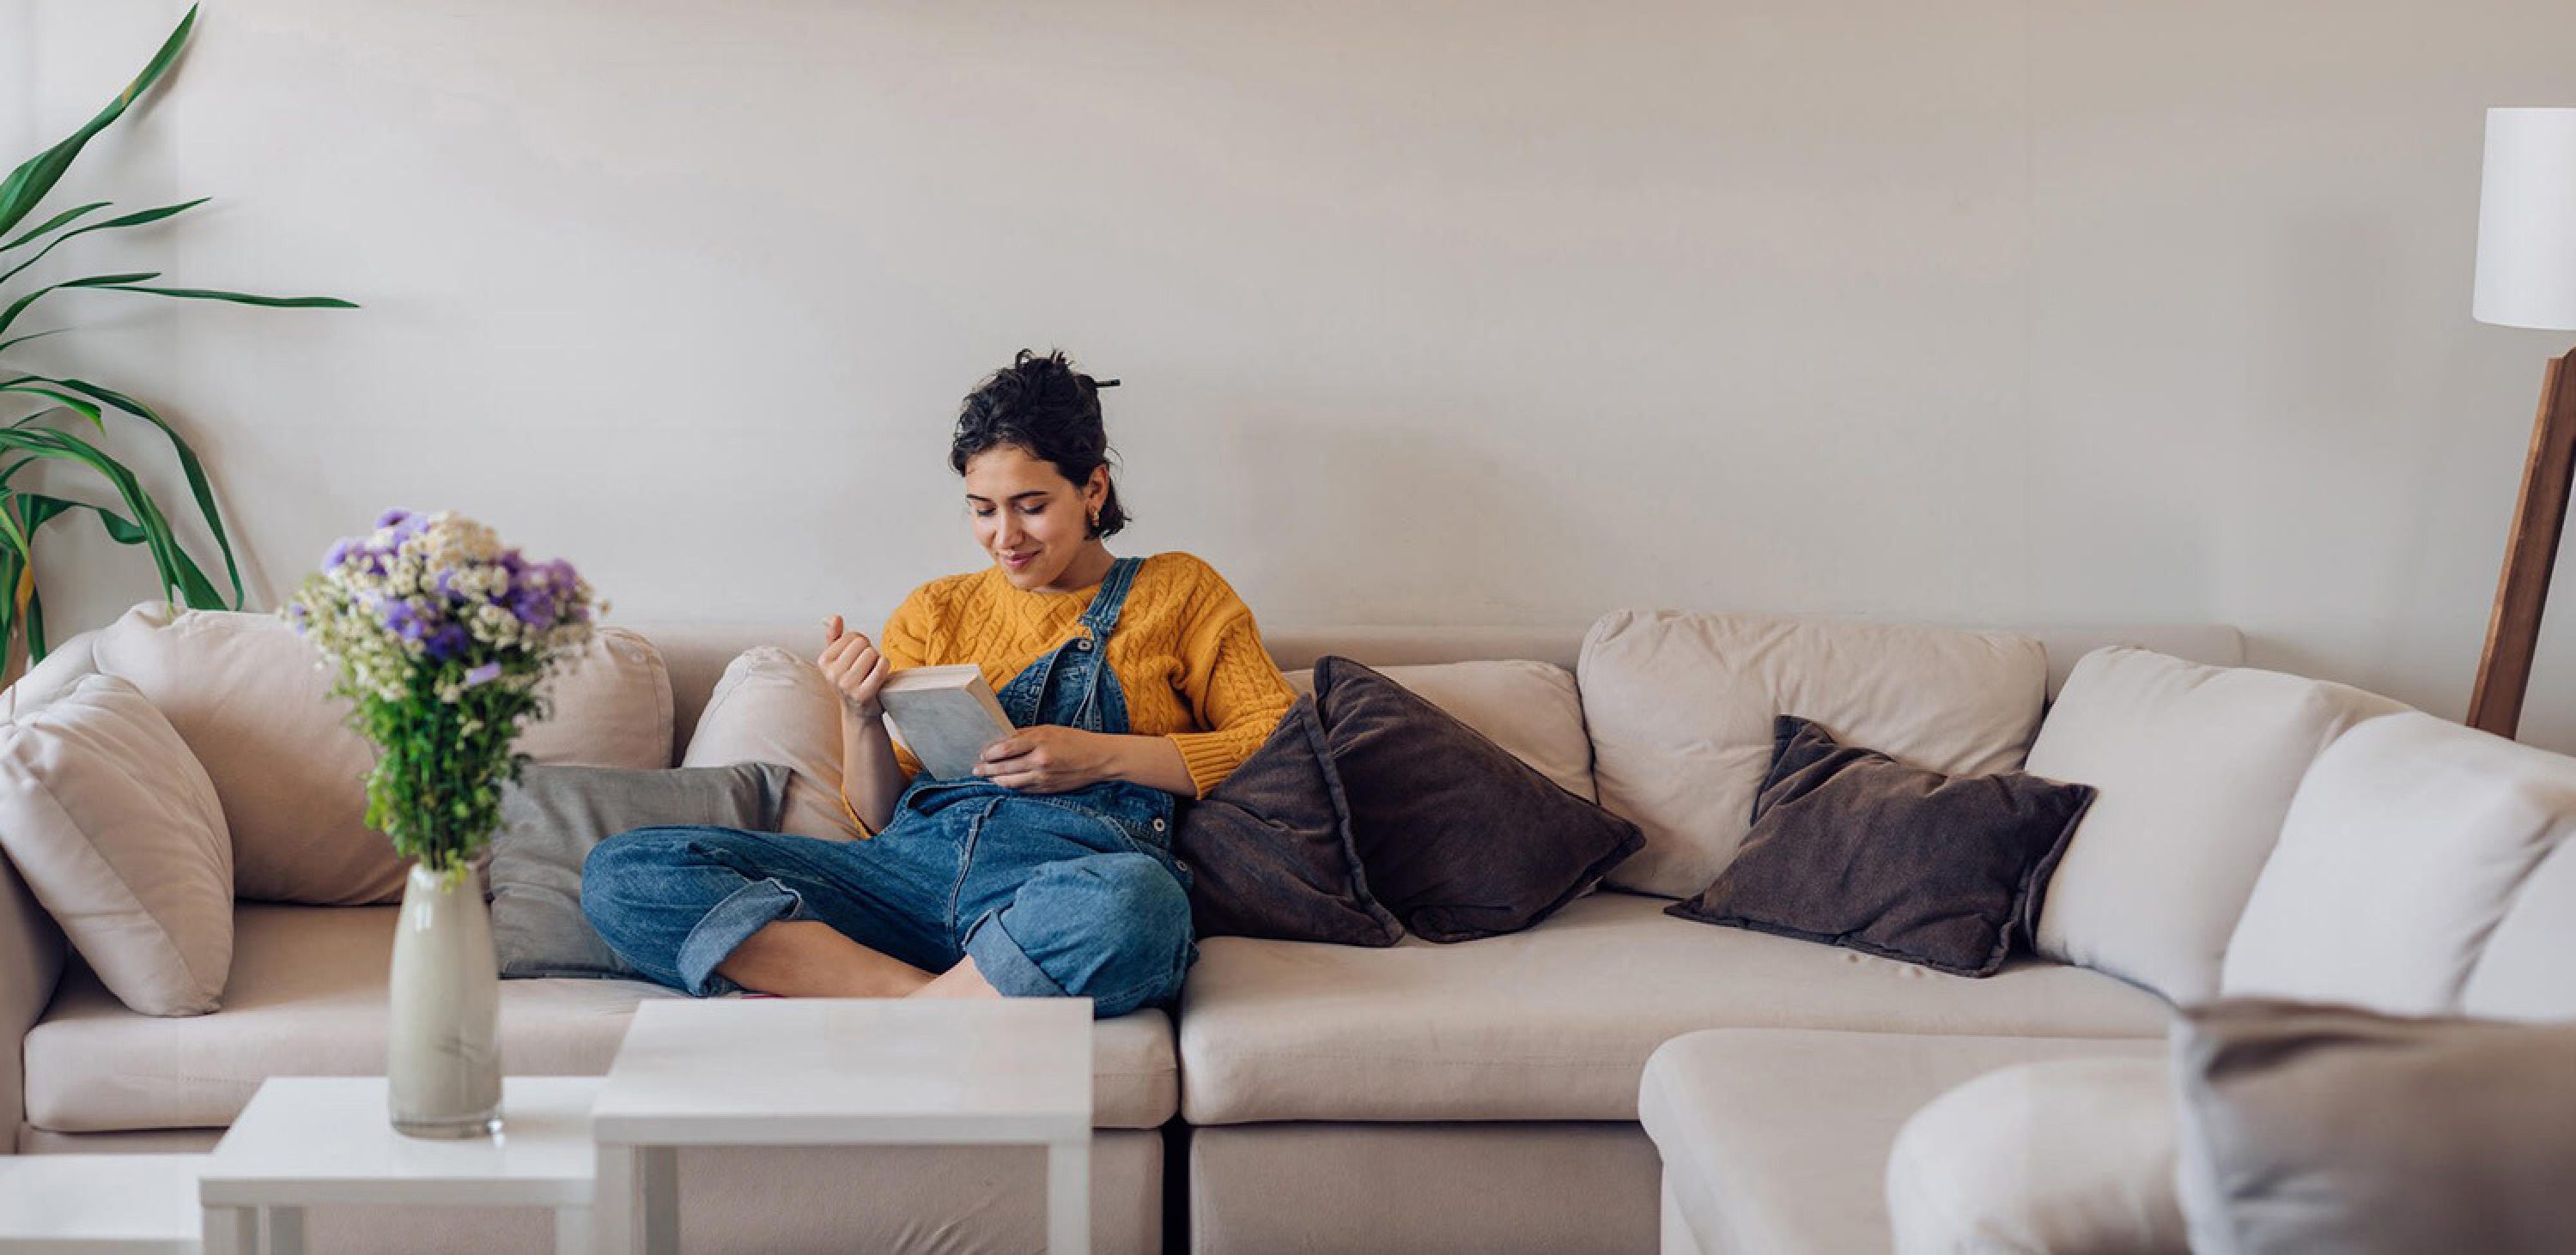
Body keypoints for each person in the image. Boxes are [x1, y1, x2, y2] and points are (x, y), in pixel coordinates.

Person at [581, 350, 1295, 1016]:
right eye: (983, 509)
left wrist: (1100, 756)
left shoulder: (1180, 591)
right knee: (626, 867)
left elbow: (1277, 740)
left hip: (1061, 884)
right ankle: (932, 1006)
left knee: (1141, 904)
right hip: (902, 880)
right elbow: (880, 816)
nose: (1004, 535)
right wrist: (859, 715)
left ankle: (941, 1000)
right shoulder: (934, 610)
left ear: (1093, 488)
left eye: (1031, 504)